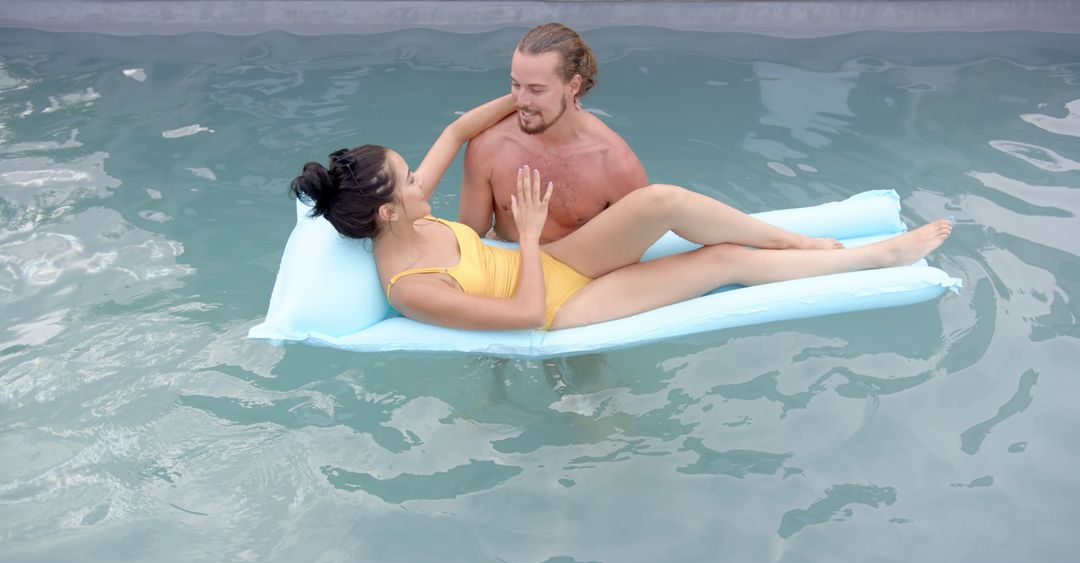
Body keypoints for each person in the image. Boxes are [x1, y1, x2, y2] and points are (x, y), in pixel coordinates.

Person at [291, 95, 952, 332]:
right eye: (410, 179)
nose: (420, 178)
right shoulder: (414, 291)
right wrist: (521, 234)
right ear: (384, 213)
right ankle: (879, 257)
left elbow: (460, 128)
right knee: (719, 263)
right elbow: (523, 315)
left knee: (660, 201)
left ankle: (802, 243)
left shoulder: (407, 212)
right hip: (558, 307)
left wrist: (531, 96)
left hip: (555, 261)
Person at [459, 23, 649, 244]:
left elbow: (635, 251)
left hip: (577, 273)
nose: (521, 101)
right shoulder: (489, 145)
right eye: (516, 84)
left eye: (536, 89)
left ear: (573, 85)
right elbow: (469, 242)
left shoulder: (615, 164)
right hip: (507, 268)